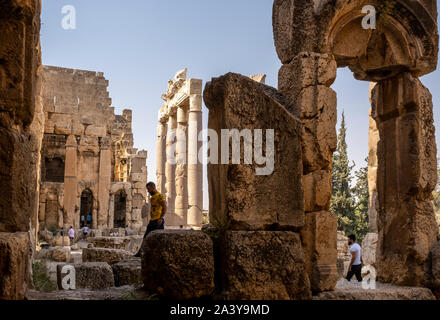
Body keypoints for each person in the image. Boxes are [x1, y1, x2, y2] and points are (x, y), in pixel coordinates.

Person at [134, 182, 167, 257]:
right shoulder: (152, 197)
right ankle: (140, 253)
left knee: (159, 239)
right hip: (152, 221)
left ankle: (160, 255)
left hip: (158, 221)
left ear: (153, 187)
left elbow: (165, 206)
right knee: (146, 237)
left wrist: (161, 218)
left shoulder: (160, 196)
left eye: (148, 189)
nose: (148, 191)